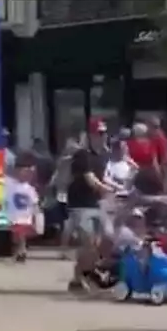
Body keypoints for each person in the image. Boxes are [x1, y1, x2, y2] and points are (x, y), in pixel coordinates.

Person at [63, 117, 120, 290]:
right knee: (89, 243)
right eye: (99, 133)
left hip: (97, 203)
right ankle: (82, 276)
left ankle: (85, 273)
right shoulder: (82, 154)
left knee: (107, 238)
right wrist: (106, 189)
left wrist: (119, 187)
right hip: (80, 204)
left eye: (104, 133)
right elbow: (90, 179)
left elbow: (103, 177)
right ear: (90, 135)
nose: (102, 136)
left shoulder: (102, 155)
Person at [6, 152, 42, 263]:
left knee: (21, 236)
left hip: (25, 218)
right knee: (16, 236)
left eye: (30, 172)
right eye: (25, 171)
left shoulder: (30, 189)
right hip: (13, 217)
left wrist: (37, 217)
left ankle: (22, 251)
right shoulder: (9, 184)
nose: (27, 175)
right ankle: (19, 251)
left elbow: (35, 204)